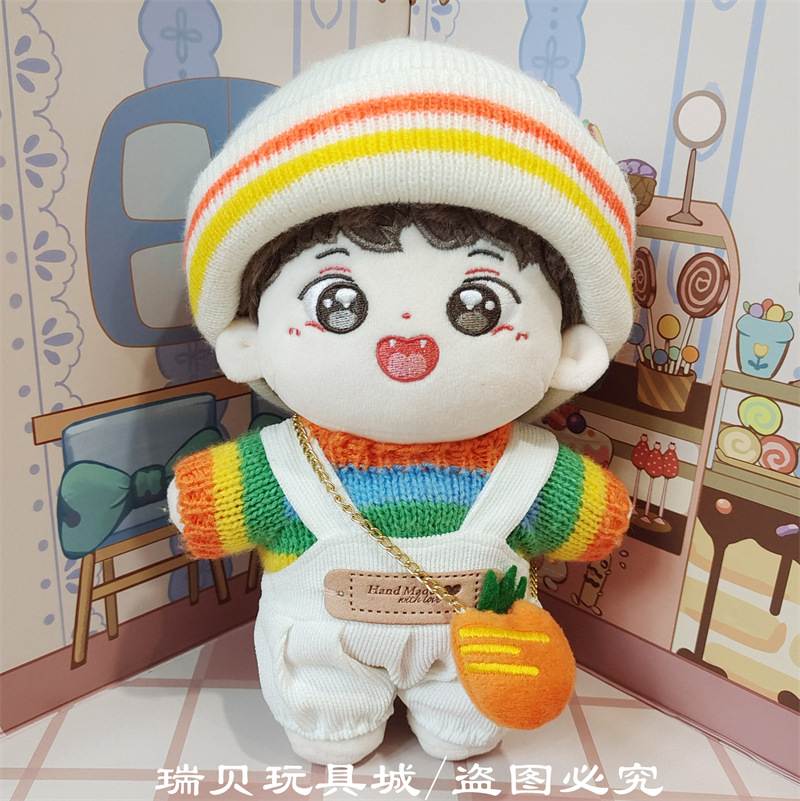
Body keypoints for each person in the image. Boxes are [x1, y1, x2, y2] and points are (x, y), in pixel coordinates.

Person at [169, 37, 634, 764]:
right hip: (322, 653)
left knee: (464, 728)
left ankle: (456, 716)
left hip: (477, 655)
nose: (405, 341)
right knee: (329, 727)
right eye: (339, 304)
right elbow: (209, 505)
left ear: (567, 347)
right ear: (250, 341)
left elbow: (592, 521)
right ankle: (333, 717)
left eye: (478, 306)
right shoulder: (284, 467)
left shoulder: (527, 470)